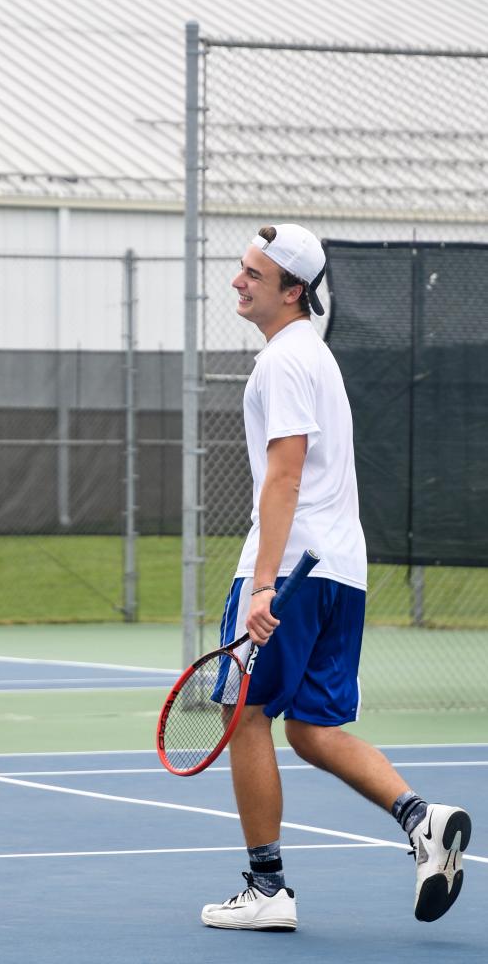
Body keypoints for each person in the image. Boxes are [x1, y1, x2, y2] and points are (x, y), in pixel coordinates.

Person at [201, 223, 471, 931]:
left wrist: (261, 584)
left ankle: (266, 889)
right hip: (338, 572)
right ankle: (420, 818)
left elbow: (284, 475)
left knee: (245, 716)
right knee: (312, 730)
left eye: (253, 274)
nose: (237, 280)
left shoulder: (284, 363)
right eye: (241, 269)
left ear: (292, 292)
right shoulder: (313, 357)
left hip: (290, 570)